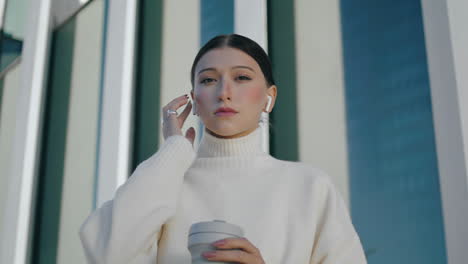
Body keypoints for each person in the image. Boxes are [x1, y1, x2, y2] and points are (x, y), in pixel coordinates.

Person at [79, 34, 367, 264]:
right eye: (208, 80)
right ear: (193, 99)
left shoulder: (310, 187)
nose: (224, 92)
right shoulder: (164, 182)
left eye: (241, 77)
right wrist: (173, 149)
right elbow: (110, 254)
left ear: (270, 96)